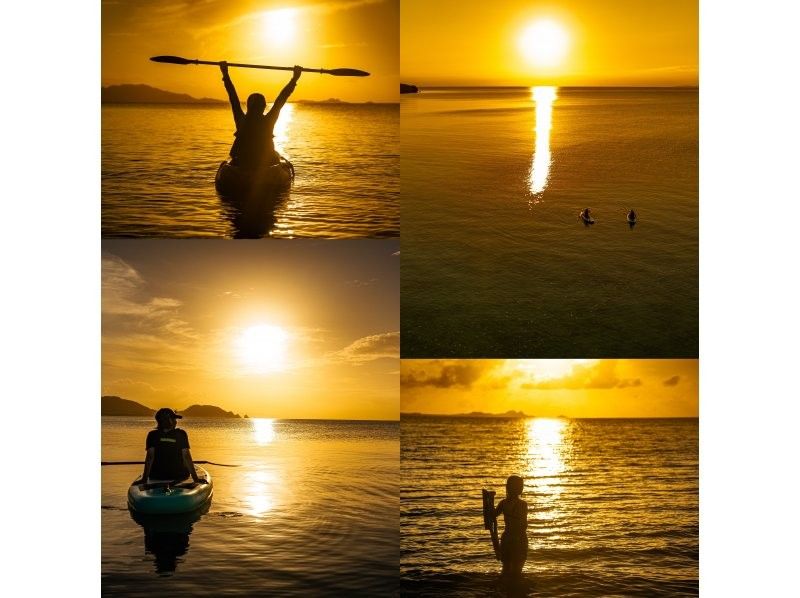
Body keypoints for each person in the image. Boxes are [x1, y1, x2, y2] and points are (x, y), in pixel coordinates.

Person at [220, 61, 302, 169]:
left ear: (248, 106)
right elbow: (282, 98)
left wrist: (225, 74)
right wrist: (294, 79)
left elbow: (232, 95)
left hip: (242, 163)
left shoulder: (241, 119)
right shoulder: (268, 120)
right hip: (261, 163)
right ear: (263, 107)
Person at [137, 408, 207, 485]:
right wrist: (195, 478)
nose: (176, 422)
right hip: (178, 476)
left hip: (156, 476)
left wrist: (144, 479)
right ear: (168, 420)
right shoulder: (181, 434)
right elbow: (186, 456)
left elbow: (150, 457)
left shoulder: (152, 435)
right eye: (174, 419)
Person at [494, 475, 528, 582]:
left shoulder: (503, 503)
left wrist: (488, 502)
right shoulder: (523, 504)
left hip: (507, 538)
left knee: (506, 569)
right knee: (517, 571)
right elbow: (523, 525)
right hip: (519, 539)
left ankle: (505, 589)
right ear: (519, 489)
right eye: (521, 486)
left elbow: (492, 515)